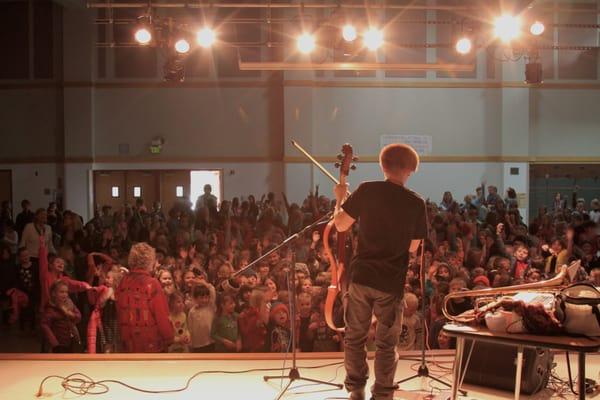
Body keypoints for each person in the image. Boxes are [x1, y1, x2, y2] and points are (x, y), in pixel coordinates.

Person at [333, 143, 427, 400]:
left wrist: (340, 197)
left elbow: (340, 225)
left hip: (362, 276)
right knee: (387, 344)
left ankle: (356, 390)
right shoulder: (416, 203)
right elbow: (413, 247)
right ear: (409, 169)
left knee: (355, 337)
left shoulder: (367, 190)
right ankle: (383, 393)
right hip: (391, 282)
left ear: (382, 165)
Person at [115, 242, 173, 352]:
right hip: (151, 347)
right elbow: (162, 316)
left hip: (128, 346)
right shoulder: (152, 284)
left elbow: (119, 311)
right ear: (150, 261)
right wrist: (169, 338)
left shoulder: (123, 282)